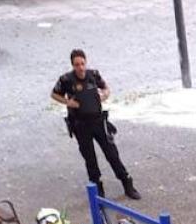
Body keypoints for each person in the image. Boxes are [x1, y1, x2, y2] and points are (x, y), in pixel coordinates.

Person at [51, 49, 141, 200]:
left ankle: (127, 183)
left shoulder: (94, 75)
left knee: (112, 154)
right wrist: (68, 102)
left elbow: (106, 88)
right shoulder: (66, 79)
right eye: (76, 65)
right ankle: (98, 190)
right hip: (80, 125)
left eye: (82, 64)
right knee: (90, 159)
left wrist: (105, 94)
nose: (80, 67)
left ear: (86, 62)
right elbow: (54, 94)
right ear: (72, 65)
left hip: (98, 122)